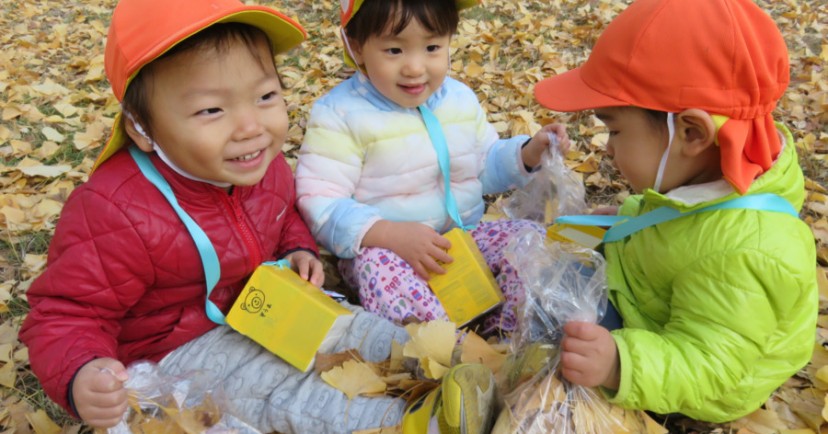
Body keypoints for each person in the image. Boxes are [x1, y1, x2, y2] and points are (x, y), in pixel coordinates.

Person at [19, 0, 497, 432]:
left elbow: (282, 213)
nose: (251, 127)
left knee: (355, 329)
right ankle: (410, 424)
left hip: (267, 301)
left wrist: (297, 248)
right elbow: (65, 313)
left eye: (266, 97)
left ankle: (472, 368)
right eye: (211, 109)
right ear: (142, 128)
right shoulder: (114, 209)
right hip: (180, 345)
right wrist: (83, 372)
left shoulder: (260, 167)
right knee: (281, 393)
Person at [533, 0, 819, 423]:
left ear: (690, 132)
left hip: (686, 375)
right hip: (655, 304)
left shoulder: (749, 253)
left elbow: (711, 364)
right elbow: (685, 228)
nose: (607, 148)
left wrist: (618, 363)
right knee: (551, 281)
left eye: (614, 130)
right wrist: (634, 216)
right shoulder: (708, 174)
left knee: (555, 331)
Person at [295, 0, 569, 335]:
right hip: (392, 254)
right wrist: (389, 234)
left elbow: (482, 165)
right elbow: (320, 200)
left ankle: (503, 334)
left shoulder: (458, 100)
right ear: (356, 47)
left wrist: (527, 154)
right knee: (375, 267)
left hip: (460, 242)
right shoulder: (340, 115)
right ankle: (438, 347)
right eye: (394, 50)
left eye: (432, 47)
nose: (415, 67)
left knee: (529, 239)